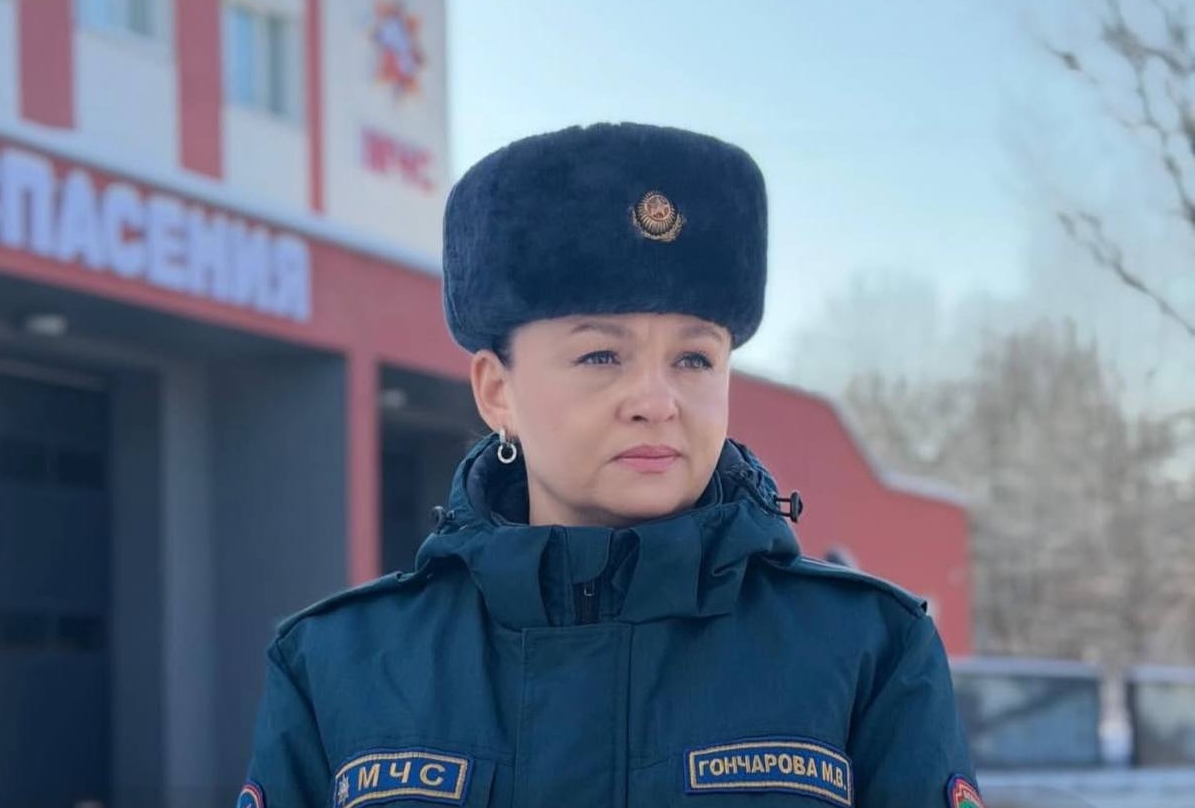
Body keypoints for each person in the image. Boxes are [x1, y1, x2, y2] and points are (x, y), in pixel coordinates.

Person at [237, 123, 983, 808]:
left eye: (694, 358)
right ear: (497, 391)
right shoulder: (338, 665)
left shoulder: (866, 650)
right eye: (601, 355)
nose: (656, 402)